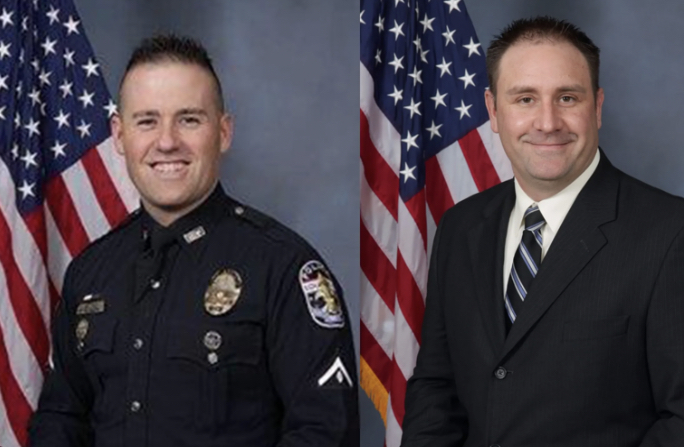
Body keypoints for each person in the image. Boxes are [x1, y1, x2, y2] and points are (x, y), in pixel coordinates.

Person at [28, 34, 359, 447]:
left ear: (223, 132)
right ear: (119, 135)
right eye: (147, 121)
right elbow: (61, 419)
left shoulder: (283, 269)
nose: (167, 141)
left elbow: (325, 432)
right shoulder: (90, 272)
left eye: (189, 119)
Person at [401, 16, 684, 447]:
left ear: (597, 107)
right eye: (525, 99)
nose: (548, 122)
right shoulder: (461, 227)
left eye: (567, 98)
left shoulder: (670, 234)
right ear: (494, 111)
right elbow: (437, 388)